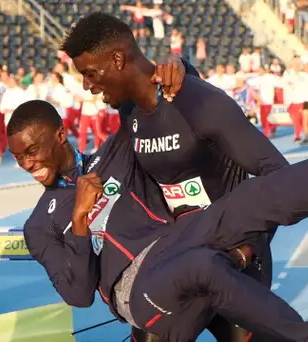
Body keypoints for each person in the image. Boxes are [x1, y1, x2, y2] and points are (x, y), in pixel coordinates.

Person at [9, 69, 308, 341]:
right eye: (19, 157)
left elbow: (144, 101)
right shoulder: (38, 226)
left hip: (180, 242)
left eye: (32, 151)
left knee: (248, 199)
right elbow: (78, 293)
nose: (28, 164)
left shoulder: (112, 155)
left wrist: (178, 69)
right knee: (203, 267)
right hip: (140, 292)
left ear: (60, 135)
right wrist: (80, 221)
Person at [62, 12, 288, 341]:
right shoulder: (129, 112)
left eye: (90, 73)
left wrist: (246, 250)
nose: (86, 85)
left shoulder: (202, 103)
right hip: (179, 258)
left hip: (235, 262)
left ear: (117, 58)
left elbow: (279, 175)